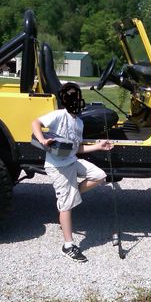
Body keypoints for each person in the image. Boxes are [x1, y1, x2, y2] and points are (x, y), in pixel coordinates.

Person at [32, 83, 113, 263]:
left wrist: (99, 146)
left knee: (100, 176)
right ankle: (68, 245)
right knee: (67, 204)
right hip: (58, 166)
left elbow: (78, 148)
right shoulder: (59, 115)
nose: (75, 100)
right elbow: (35, 122)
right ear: (65, 99)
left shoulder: (79, 122)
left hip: (72, 161)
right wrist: (42, 140)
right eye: (71, 96)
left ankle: (68, 196)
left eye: (77, 96)